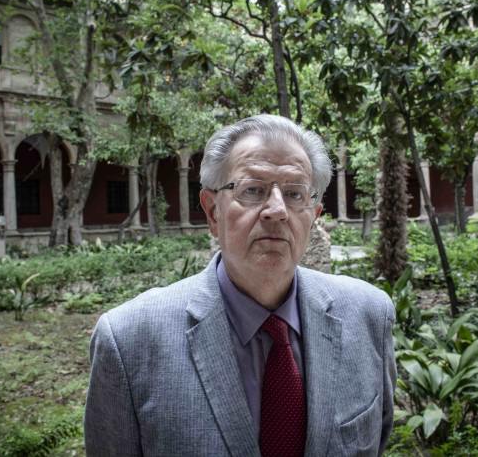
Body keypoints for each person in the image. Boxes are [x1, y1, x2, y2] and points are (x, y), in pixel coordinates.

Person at [84, 114, 396, 456]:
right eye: (252, 190)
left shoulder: (369, 315)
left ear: (315, 214)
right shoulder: (129, 339)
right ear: (212, 211)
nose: (276, 210)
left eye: (294, 194)